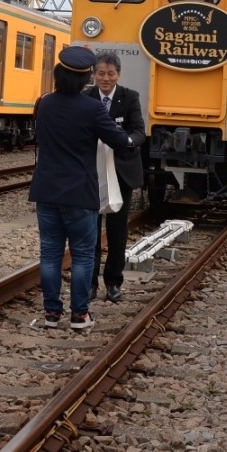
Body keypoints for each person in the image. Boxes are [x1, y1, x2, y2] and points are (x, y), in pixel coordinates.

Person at [29, 45, 133, 331]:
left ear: (58, 74)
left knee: (50, 254)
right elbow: (119, 140)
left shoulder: (44, 103)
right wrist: (130, 139)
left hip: (46, 190)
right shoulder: (93, 108)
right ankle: (79, 315)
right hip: (79, 193)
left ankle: (51, 314)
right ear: (86, 78)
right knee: (83, 255)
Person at [83, 51, 147, 303]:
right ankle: (89, 284)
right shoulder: (86, 97)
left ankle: (113, 282)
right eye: (100, 73)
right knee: (90, 230)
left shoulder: (129, 97)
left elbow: (140, 131)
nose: (105, 78)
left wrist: (126, 141)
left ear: (118, 74)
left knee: (117, 229)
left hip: (121, 172)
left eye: (110, 74)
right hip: (91, 172)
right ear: (94, 74)